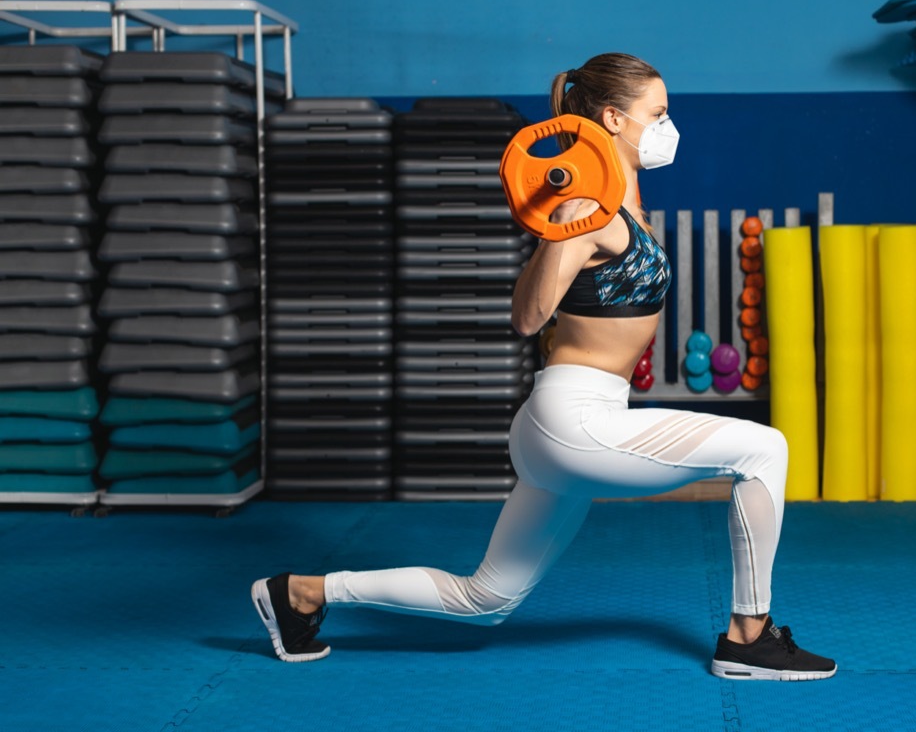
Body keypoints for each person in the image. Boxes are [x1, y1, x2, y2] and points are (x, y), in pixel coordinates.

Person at [252, 53, 837, 681]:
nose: (669, 127)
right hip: (575, 422)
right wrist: (562, 225)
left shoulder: (623, 205)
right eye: (658, 113)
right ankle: (748, 638)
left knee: (486, 599)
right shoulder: (583, 211)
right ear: (614, 119)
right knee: (764, 448)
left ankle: (301, 593)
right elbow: (528, 318)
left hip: (568, 423)